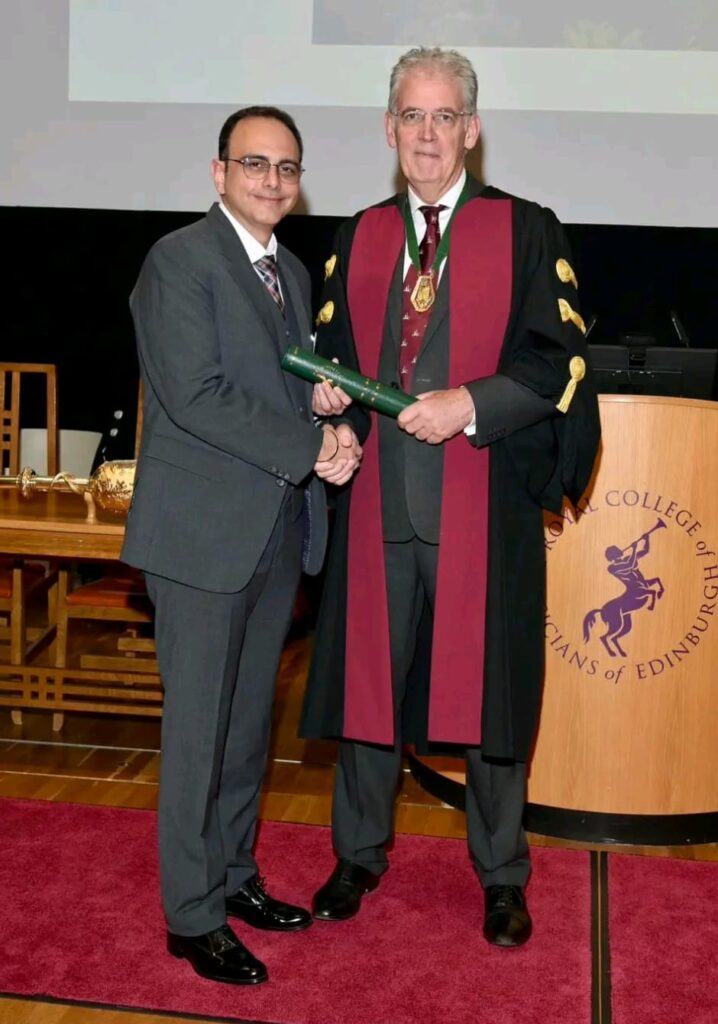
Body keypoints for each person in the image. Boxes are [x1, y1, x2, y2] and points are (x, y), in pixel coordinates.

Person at [301, 47, 600, 947]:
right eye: (411, 117)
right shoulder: (358, 235)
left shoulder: (527, 229)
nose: (427, 134)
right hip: (378, 505)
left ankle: (503, 874)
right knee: (367, 688)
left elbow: (557, 364)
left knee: (493, 696)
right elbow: (338, 358)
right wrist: (330, 403)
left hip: (479, 496)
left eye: (444, 118)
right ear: (390, 130)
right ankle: (357, 853)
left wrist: (471, 402)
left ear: (471, 130)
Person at [121, 105, 361, 985]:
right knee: (197, 733)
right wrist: (310, 448)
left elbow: (277, 391)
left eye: (286, 167)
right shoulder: (180, 261)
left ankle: (231, 877)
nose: (272, 179)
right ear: (219, 173)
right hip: (201, 539)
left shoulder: (289, 273)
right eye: (254, 164)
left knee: (245, 731)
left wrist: (326, 420)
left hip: (273, 531)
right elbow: (198, 396)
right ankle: (190, 917)